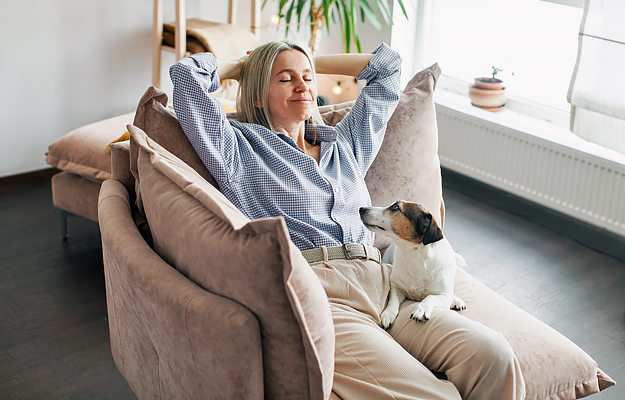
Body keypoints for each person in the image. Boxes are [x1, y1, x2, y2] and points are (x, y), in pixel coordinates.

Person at [170, 40, 525, 400]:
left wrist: (309, 62)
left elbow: (387, 70)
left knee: (494, 357)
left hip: (386, 284)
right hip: (322, 295)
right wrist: (244, 68)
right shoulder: (239, 150)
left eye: (307, 78)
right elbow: (186, 78)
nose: (302, 86)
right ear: (258, 96)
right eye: (284, 79)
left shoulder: (345, 145)